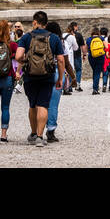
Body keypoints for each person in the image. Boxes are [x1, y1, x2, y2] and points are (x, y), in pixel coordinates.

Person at [15, 11, 68, 146]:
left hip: (30, 76)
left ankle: (33, 133)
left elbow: (18, 56)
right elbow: (61, 60)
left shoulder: (26, 37)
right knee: (43, 104)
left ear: (35, 22)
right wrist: (60, 78)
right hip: (47, 76)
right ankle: (40, 136)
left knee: (33, 105)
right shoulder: (54, 38)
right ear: (46, 22)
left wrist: (27, 60)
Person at [59, 21, 80, 96]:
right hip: (69, 54)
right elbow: (76, 48)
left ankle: (63, 87)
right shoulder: (72, 37)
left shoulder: (62, 35)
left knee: (62, 70)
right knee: (68, 70)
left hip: (59, 55)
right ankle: (67, 87)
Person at [86, 26, 108, 95]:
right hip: (100, 56)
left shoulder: (88, 39)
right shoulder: (101, 38)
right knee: (97, 72)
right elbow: (107, 46)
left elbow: (86, 49)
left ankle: (95, 87)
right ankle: (95, 89)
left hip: (91, 57)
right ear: (98, 33)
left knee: (95, 71)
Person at [69, 22, 85, 93]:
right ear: (75, 27)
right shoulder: (79, 35)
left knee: (69, 71)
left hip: (69, 56)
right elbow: (82, 46)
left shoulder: (67, 35)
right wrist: (84, 54)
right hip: (77, 55)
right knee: (78, 70)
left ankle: (69, 86)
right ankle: (77, 85)